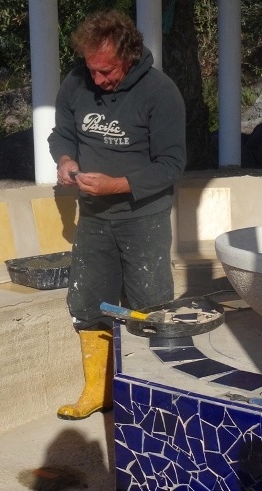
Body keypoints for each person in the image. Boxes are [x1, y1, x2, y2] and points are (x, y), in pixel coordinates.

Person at [48, 9, 187, 420]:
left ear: (129, 56)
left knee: (149, 306)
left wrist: (117, 184)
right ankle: (98, 392)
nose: (97, 79)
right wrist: (65, 160)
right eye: (92, 69)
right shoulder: (75, 82)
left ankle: (154, 399)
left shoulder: (160, 92)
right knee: (88, 303)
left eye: (106, 71)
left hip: (144, 217)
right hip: (93, 217)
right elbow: (61, 134)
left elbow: (171, 165)